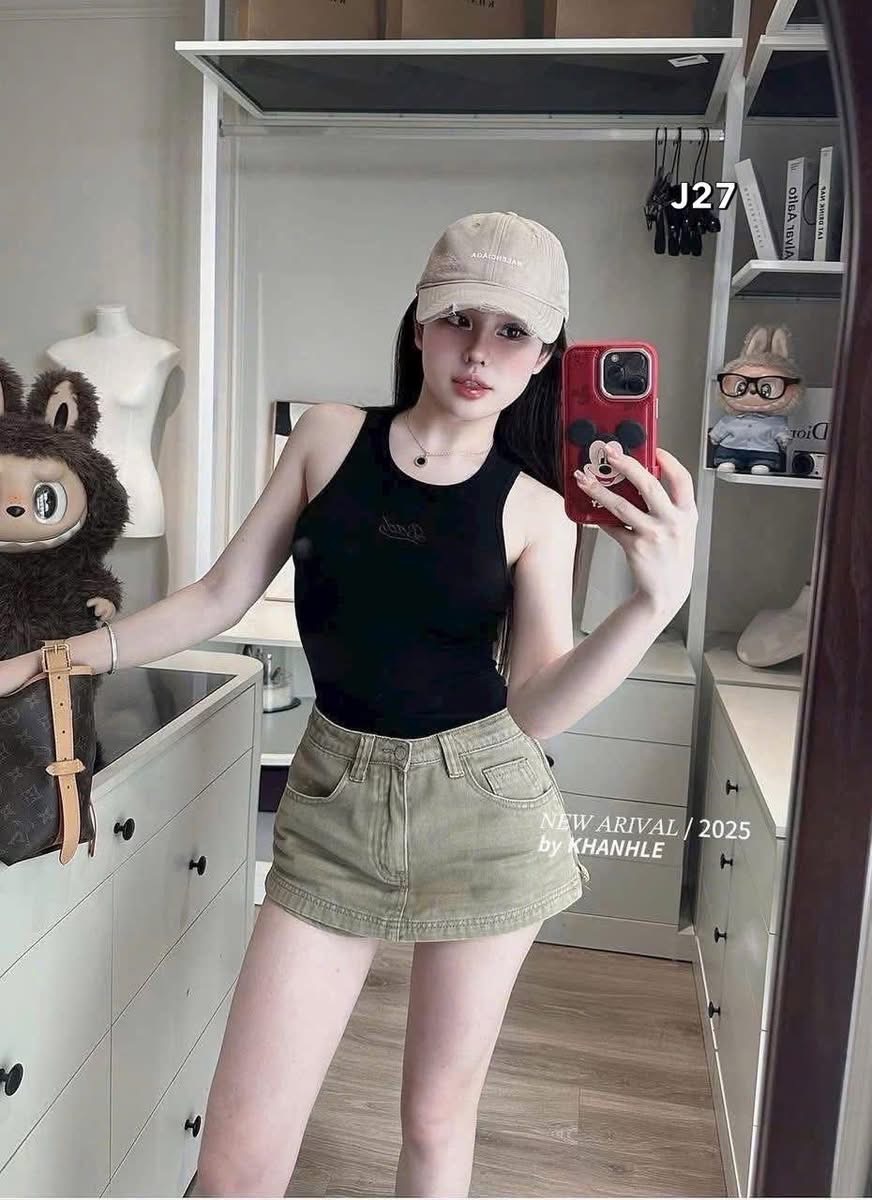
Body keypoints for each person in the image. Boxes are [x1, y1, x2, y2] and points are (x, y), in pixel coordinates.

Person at [0, 211, 697, 1197]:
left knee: (434, 1126)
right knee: (233, 1165)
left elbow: (533, 707)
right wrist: (54, 658)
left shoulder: (539, 508)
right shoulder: (327, 437)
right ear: (419, 322)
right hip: (334, 805)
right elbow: (217, 595)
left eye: (512, 332)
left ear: (545, 357)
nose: (479, 351)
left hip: (485, 811)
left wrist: (648, 608)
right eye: (459, 319)